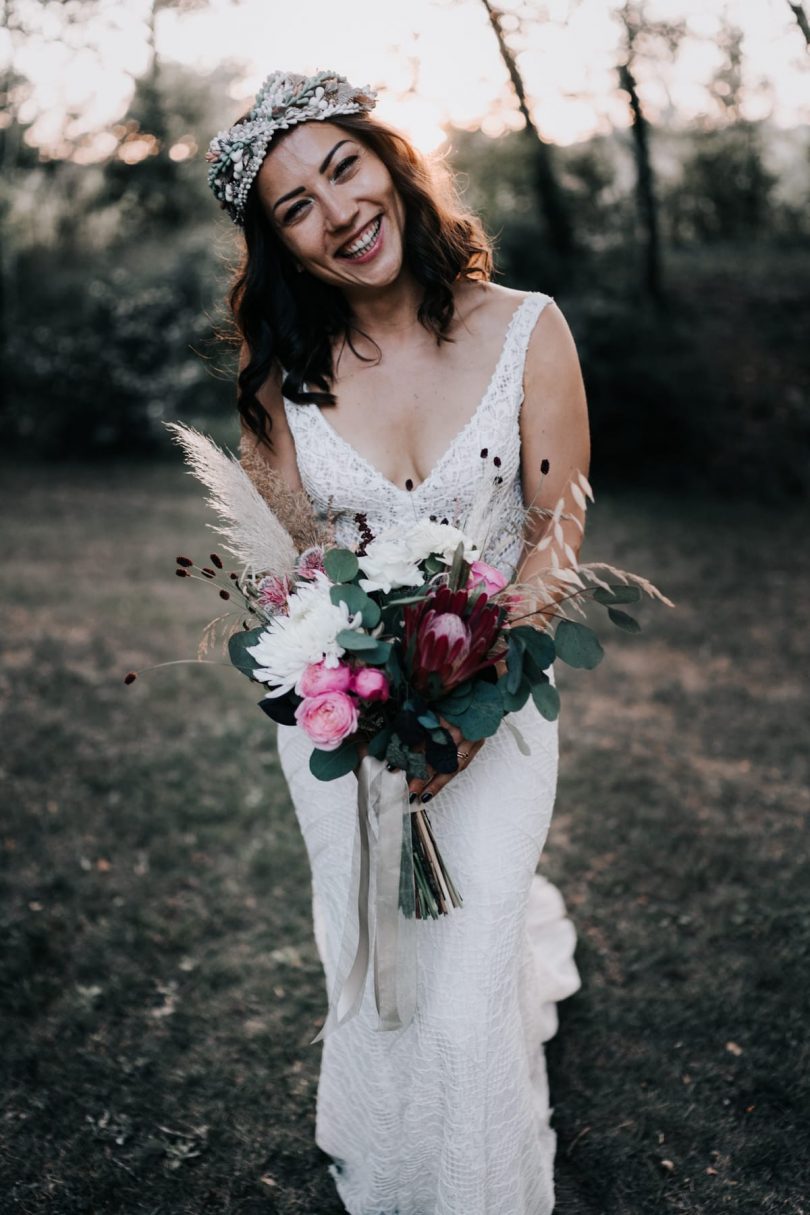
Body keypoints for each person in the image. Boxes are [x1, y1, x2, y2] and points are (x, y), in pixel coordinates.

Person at [207, 69, 588, 1215]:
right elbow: (294, 579)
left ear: (392, 162)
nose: (339, 212)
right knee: (372, 947)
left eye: (344, 168)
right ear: (281, 245)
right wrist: (362, 693)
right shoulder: (285, 378)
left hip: (502, 703)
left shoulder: (527, 326)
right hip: (349, 725)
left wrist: (472, 701)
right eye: (296, 206)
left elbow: (557, 531)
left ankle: (479, 1185)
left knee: (468, 963)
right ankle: (389, 1142)